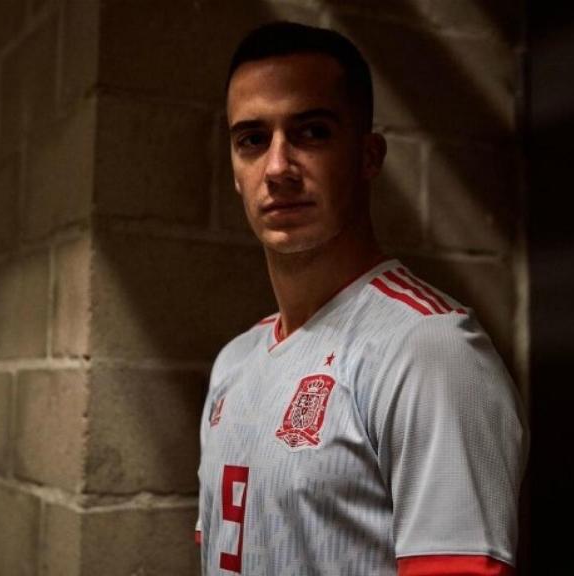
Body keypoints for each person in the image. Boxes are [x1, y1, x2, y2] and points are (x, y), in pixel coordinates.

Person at [196, 21, 526, 576]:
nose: (277, 168)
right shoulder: (234, 362)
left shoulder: (427, 350)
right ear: (234, 168)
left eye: (312, 132)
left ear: (369, 155)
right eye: (252, 139)